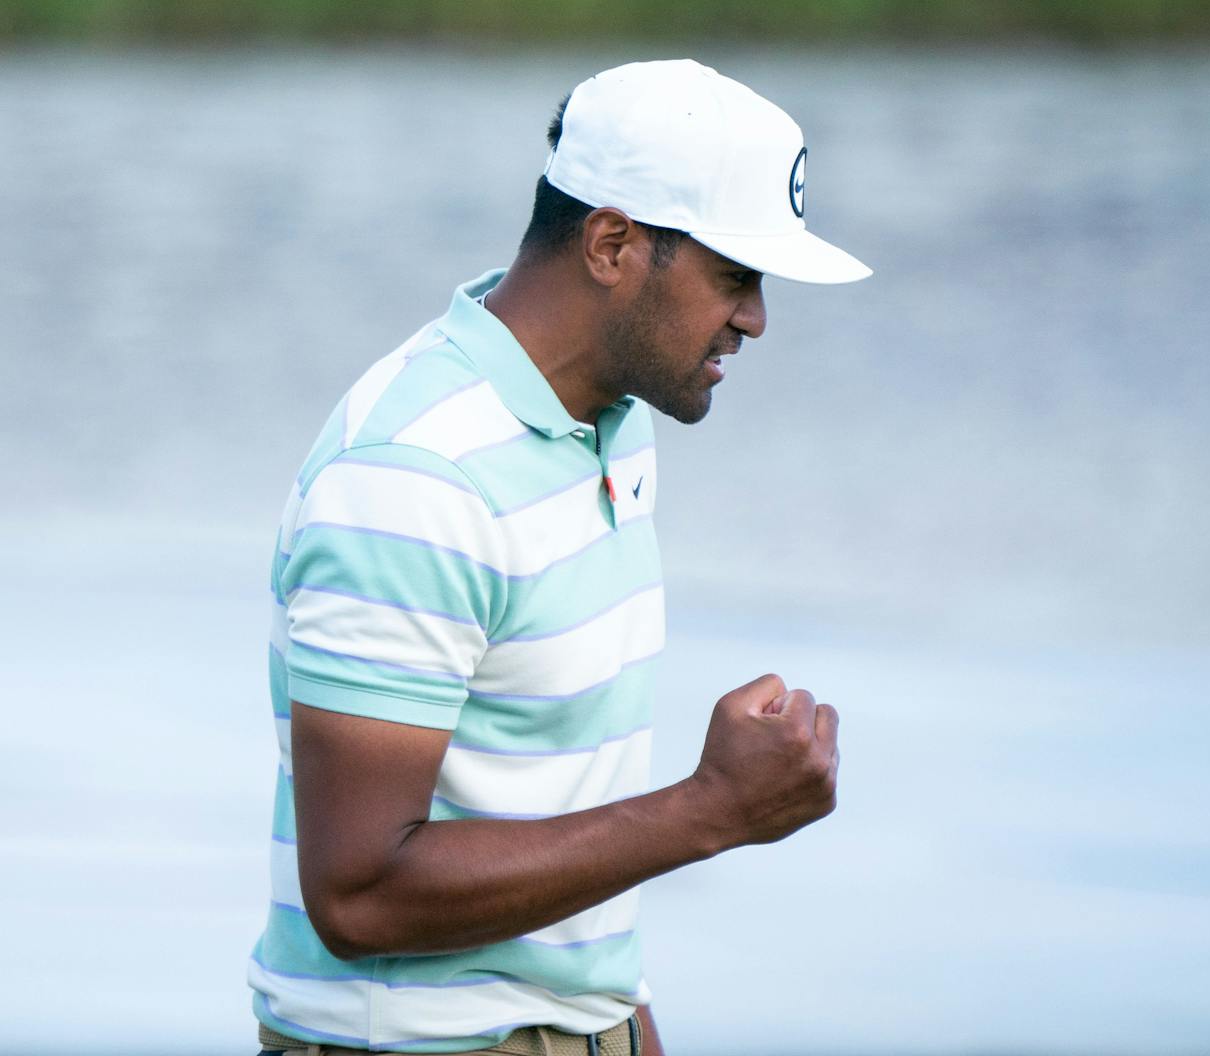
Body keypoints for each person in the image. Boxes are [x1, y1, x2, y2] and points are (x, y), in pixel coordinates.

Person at [249, 58, 871, 1056]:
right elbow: (357, 896)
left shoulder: (613, 424)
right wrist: (709, 811)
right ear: (613, 244)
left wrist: (619, 1023)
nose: (755, 317)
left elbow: (564, 842)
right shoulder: (415, 479)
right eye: (733, 276)